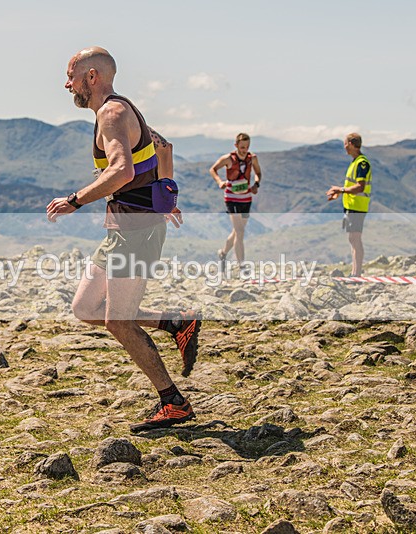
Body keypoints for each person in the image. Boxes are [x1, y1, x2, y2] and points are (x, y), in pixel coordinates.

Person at [47, 47, 199, 432]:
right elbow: (163, 147)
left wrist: (75, 200)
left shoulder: (112, 114)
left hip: (134, 231)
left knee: (119, 322)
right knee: (84, 308)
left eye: (71, 76)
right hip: (124, 226)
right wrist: (166, 194)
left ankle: (173, 402)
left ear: (92, 77)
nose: (67, 84)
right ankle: (175, 323)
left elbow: (121, 170)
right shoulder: (119, 109)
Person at [209, 133, 261, 269]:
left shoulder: (252, 158)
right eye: (242, 147)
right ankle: (242, 266)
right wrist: (220, 182)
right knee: (240, 231)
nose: (245, 149)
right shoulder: (228, 159)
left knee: (238, 231)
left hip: (246, 198)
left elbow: (258, 173)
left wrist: (256, 184)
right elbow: (213, 169)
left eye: (247, 147)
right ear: (236, 145)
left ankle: (223, 252)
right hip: (231, 198)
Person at [326, 132, 370, 277]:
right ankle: (354, 272)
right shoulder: (355, 162)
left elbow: (360, 186)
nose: (344, 147)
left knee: (355, 238)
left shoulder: (361, 163)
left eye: (345, 144)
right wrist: (340, 193)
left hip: (357, 205)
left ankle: (356, 273)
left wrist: (341, 189)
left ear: (351, 144)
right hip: (352, 205)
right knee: (352, 238)